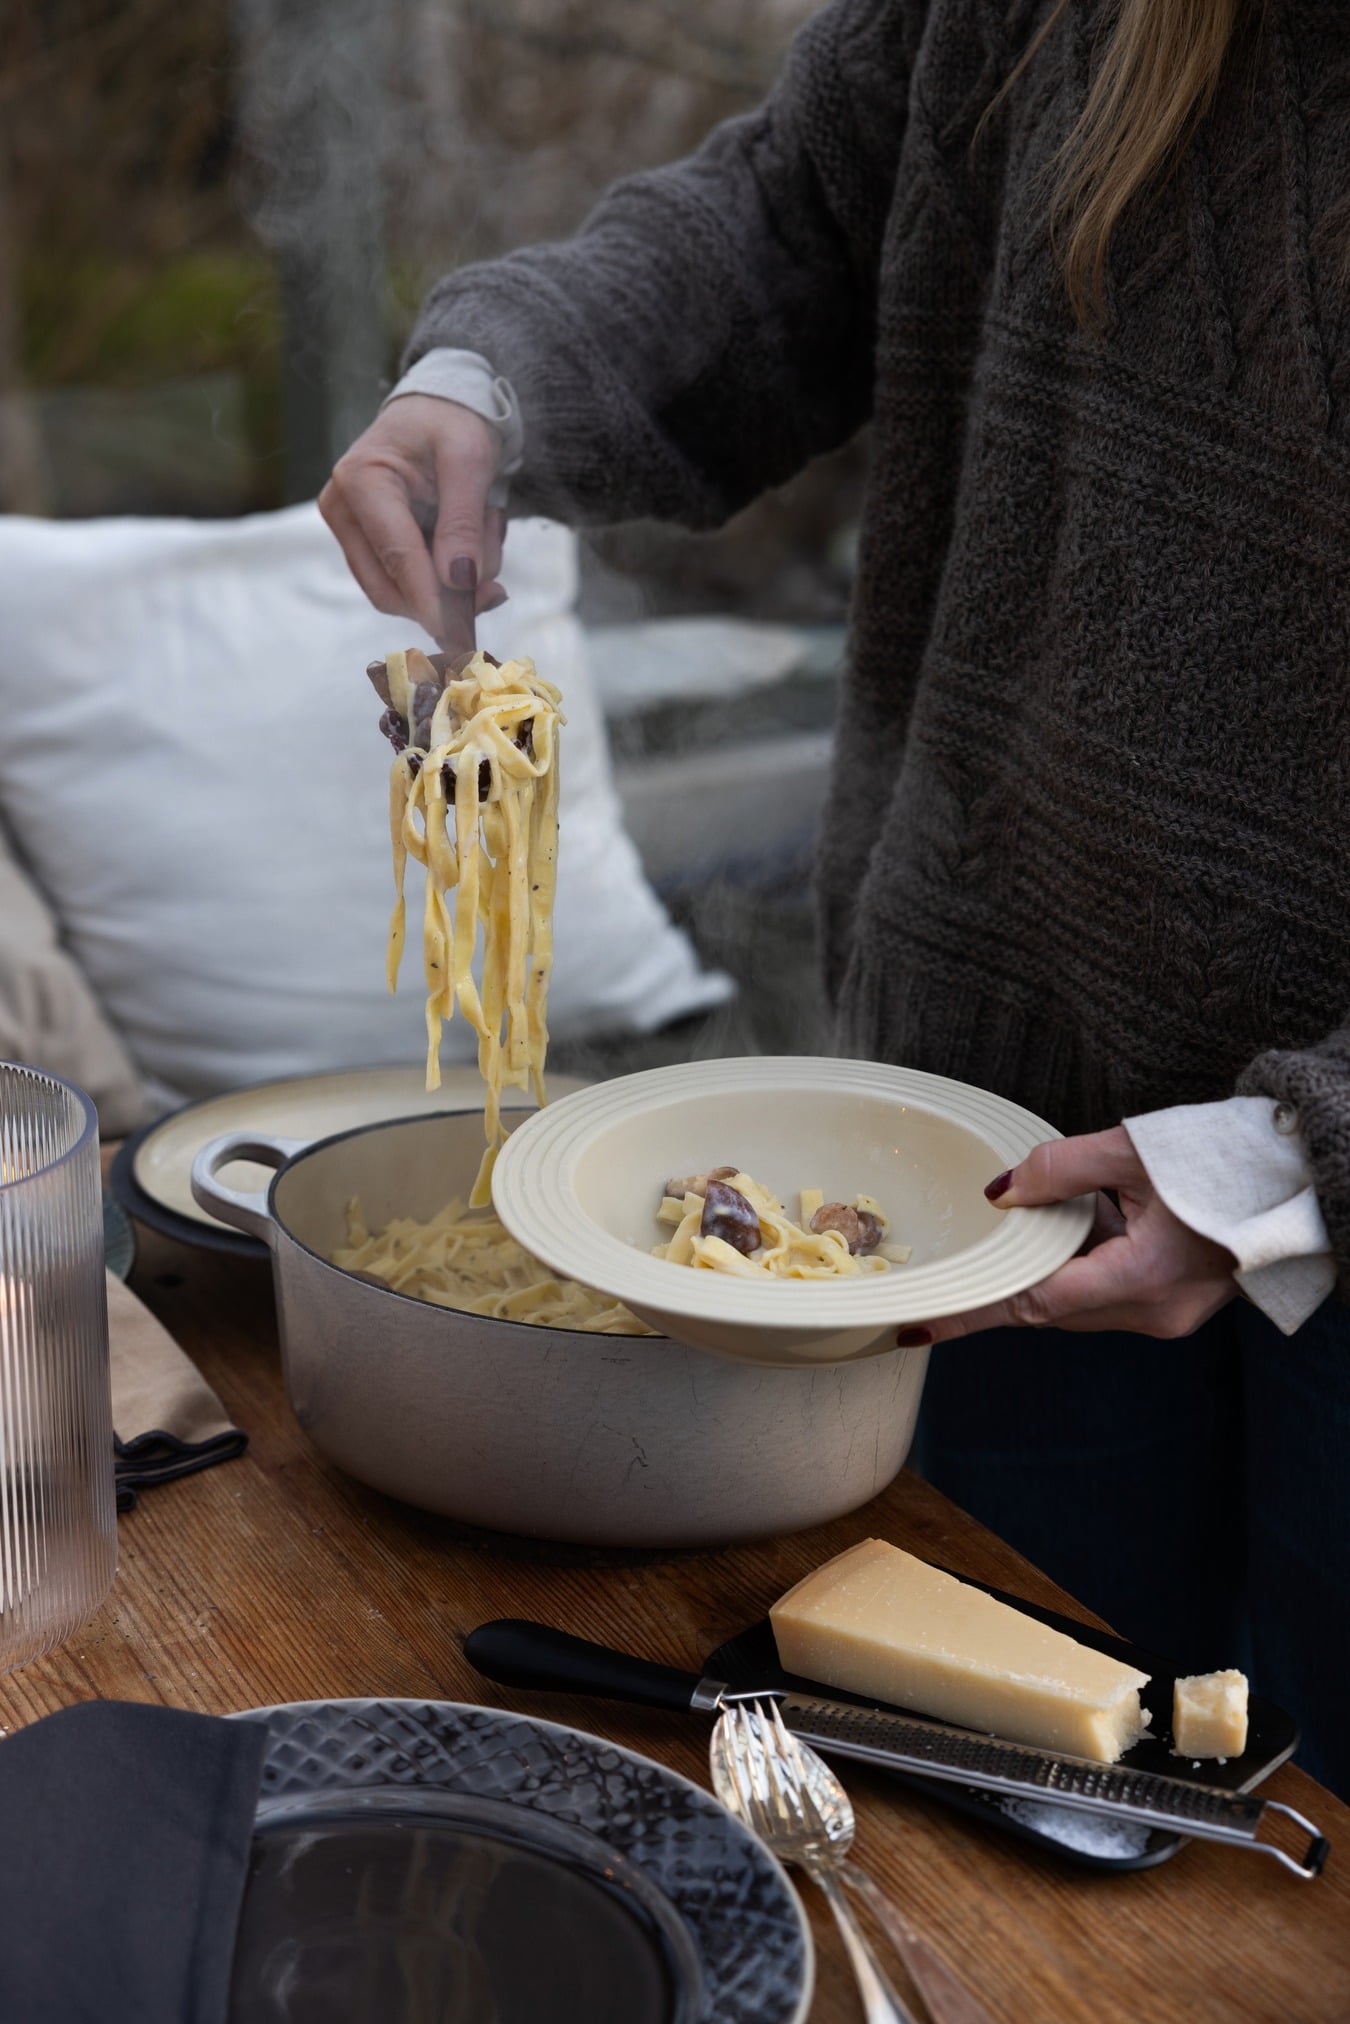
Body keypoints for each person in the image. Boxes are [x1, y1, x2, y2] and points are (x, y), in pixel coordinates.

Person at [320, 0, 1350, 1795]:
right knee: (1008, 1831)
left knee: (1299, 1861)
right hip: (997, 1160)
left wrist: (1284, 1158)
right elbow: (793, 222)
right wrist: (486, 380)